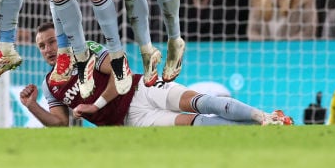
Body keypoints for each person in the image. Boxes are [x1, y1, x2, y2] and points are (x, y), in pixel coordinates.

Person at [19, 22, 292, 127]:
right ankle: (270, 126)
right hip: (132, 120)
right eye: (41, 45)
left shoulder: (86, 50)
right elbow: (58, 122)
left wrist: (96, 104)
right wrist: (32, 107)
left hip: (141, 89)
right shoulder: (49, 85)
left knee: (201, 101)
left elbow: (120, 73)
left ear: (64, 40)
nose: (47, 49)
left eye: (52, 41)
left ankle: (263, 116)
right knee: (196, 123)